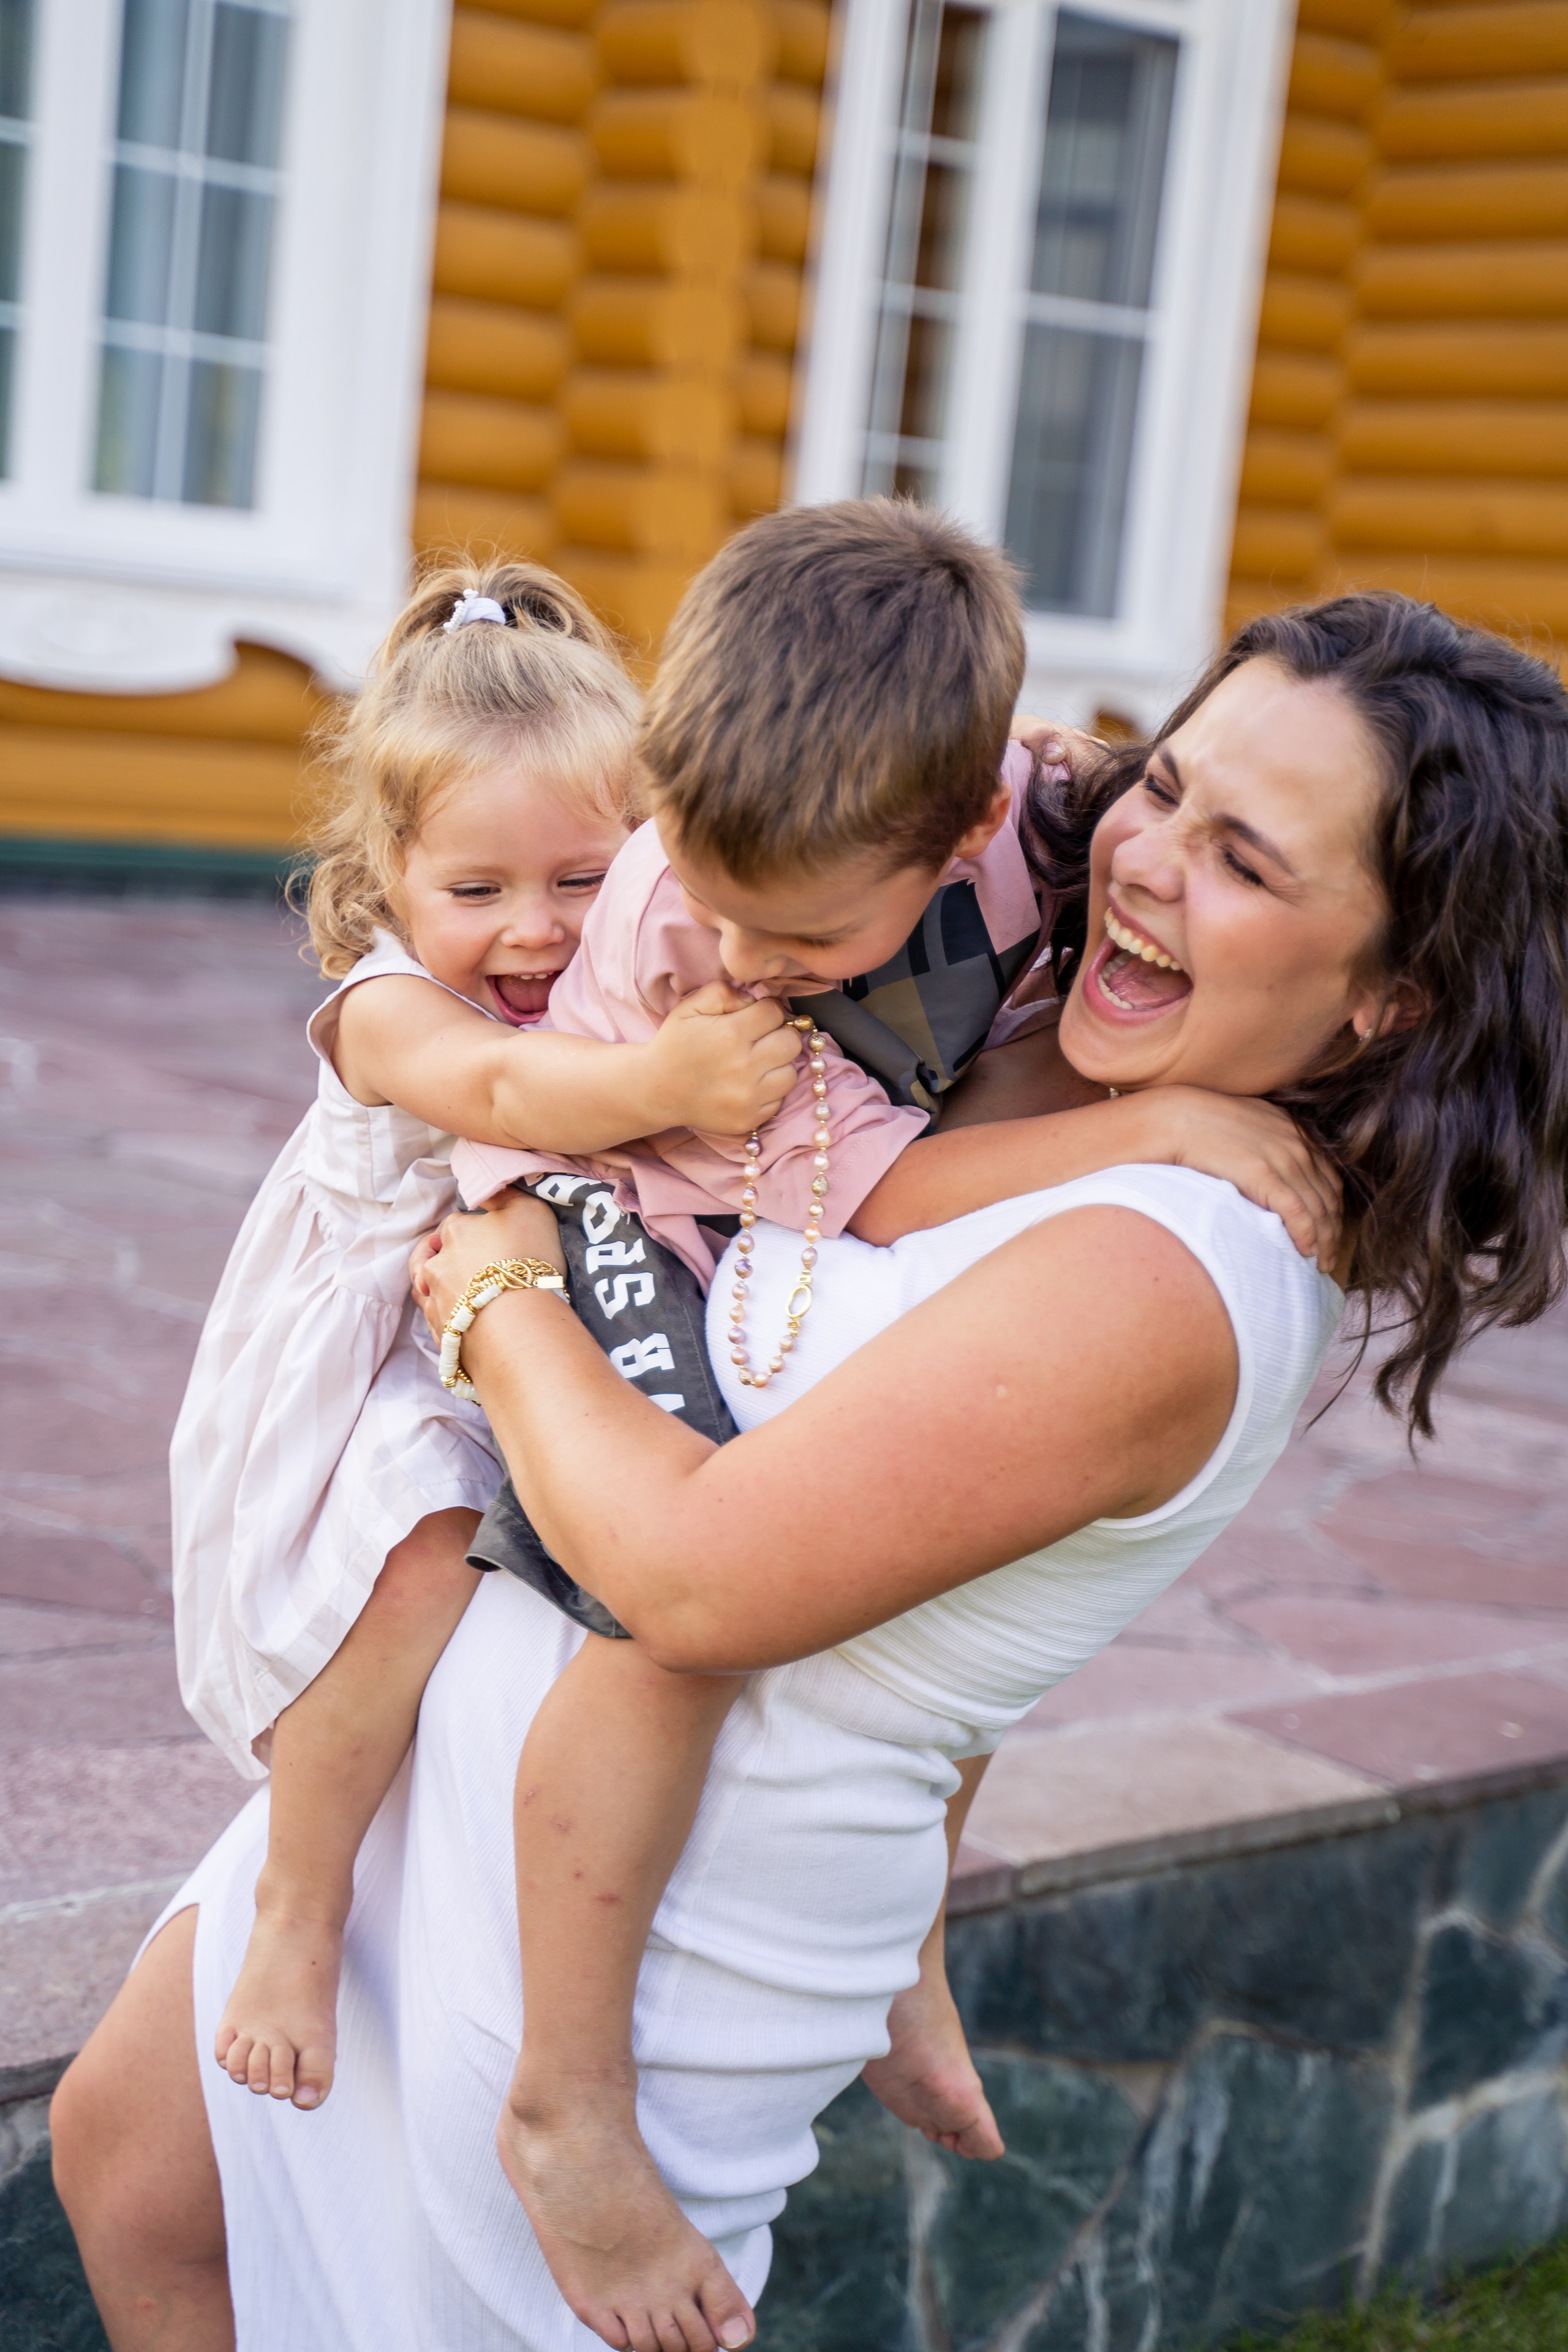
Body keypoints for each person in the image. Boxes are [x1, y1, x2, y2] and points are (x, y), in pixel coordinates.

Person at [53, 591, 1568, 2352]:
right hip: (422, 1786)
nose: (1147, 857)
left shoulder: (1183, 1260)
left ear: (1394, 993)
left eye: (1246, 857)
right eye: (1169, 786)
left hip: (634, 1945)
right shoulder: (1029, 1003)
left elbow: (693, 1583)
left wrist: (496, 1296)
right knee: (139, 2169)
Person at [173, 559, 807, 2116]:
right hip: (383, 1345)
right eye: (477, 892)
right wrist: (677, 1081)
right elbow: (516, 1103)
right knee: (414, 1548)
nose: (532, 933)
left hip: (532, 1315)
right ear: (390, 874)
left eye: (580, 880)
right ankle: (298, 1904)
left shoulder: (616, 964)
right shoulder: (387, 1006)